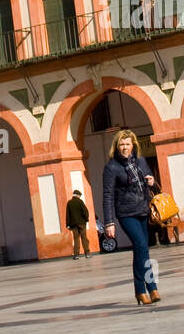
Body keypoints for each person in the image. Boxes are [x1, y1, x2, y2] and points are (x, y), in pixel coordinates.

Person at [101, 129, 160, 306]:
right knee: (141, 246)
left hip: (143, 210)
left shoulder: (141, 161)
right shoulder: (111, 167)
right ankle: (152, 287)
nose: (125, 147)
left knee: (142, 250)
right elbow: (107, 195)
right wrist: (109, 222)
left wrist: (152, 182)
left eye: (127, 144)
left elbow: (152, 185)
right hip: (126, 213)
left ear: (133, 144)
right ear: (116, 146)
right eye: (121, 144)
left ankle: (141, 291)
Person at [65, 189, 91, 259]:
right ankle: (87, 254)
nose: (80, 197)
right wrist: (86, 219)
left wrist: (67, 224)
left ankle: (76, 255)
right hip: (82, 223)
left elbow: (68, 214)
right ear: (78, 195)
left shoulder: (69, 203)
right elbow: (85, 211)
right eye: (80, 195)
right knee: (84, 238)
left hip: (73, 225)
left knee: (76, 239)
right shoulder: (80, 202)